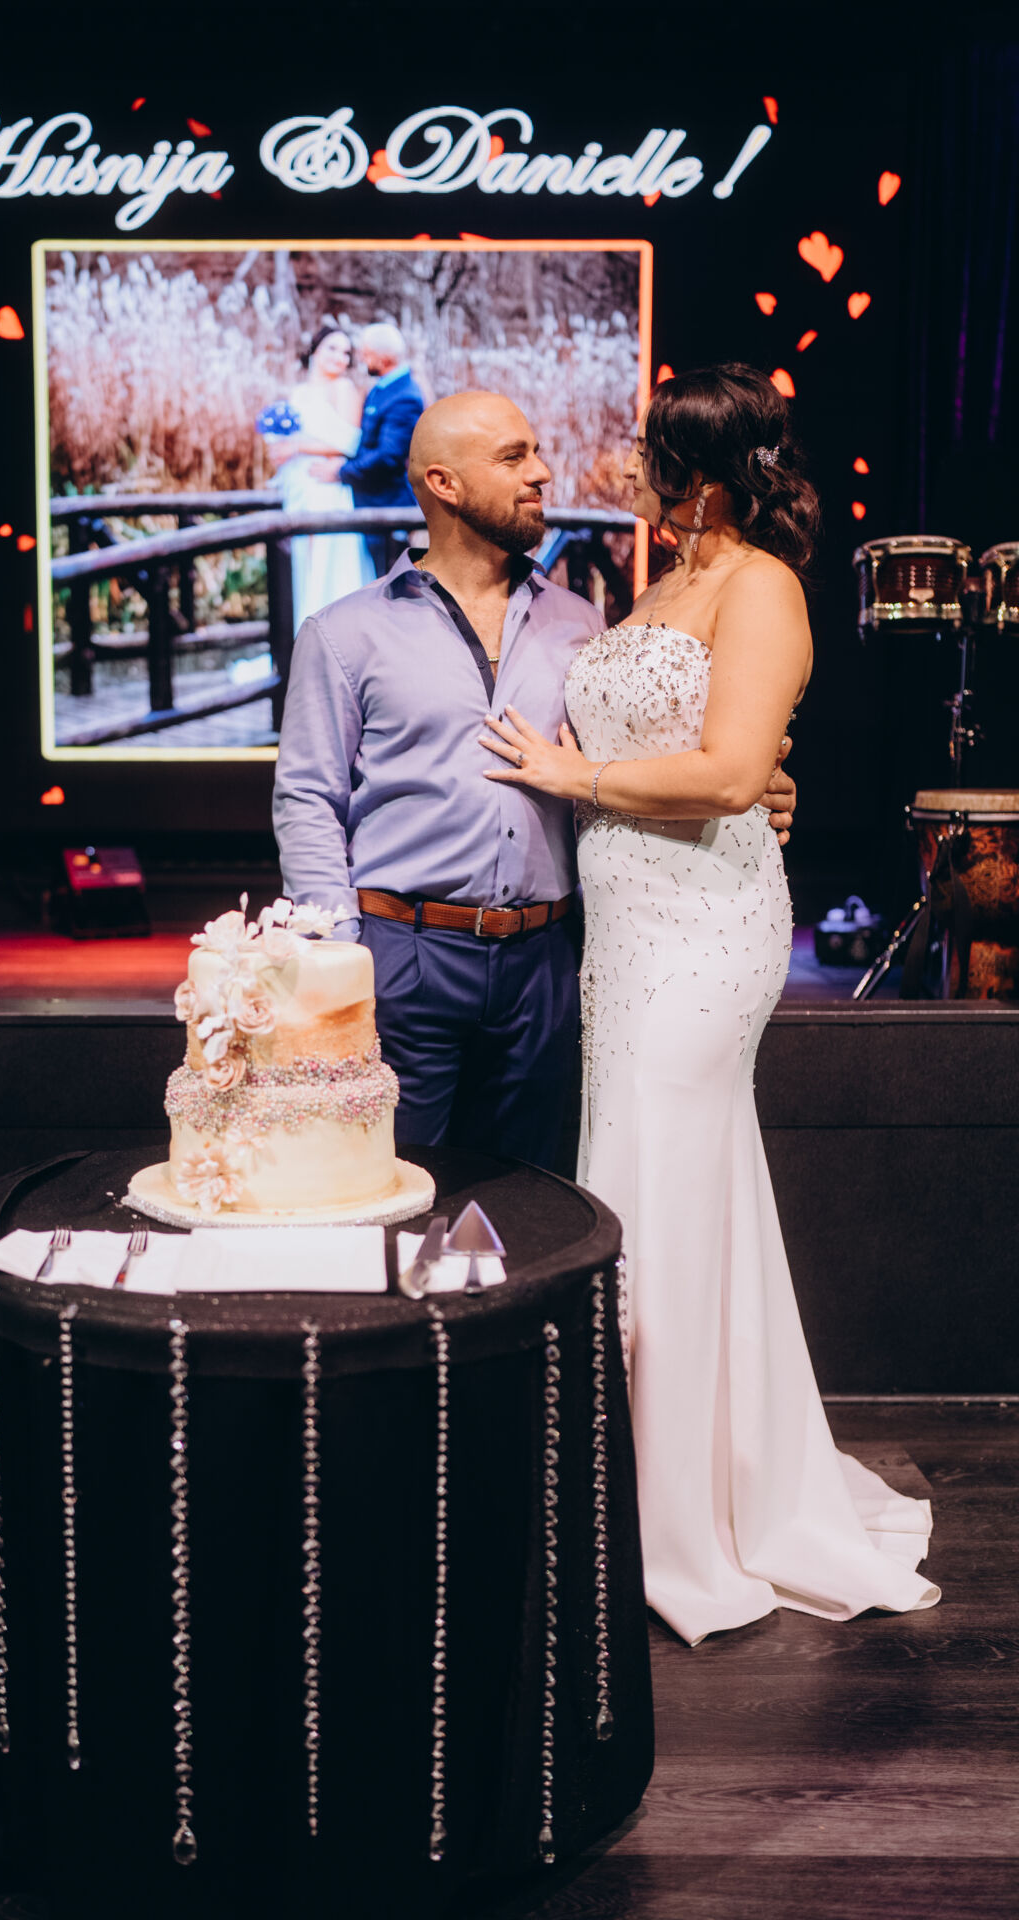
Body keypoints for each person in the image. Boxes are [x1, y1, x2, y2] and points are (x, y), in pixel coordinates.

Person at [479, 363, 940, 1644]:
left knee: (663, 1191)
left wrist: (574, 775)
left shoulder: (760, 584)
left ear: (701, 472)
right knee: (647, 1185)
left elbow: (734, 774)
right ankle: (662, 1480)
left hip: (704, 926)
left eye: (649, 453)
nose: (628, 468)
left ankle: (679, 1520)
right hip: (625, 930)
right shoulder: (661, 582)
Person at [272, 387, 797, 1173]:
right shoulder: (346, 633)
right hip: (405, 953)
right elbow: (307, 799)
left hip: (549, 963)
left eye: (537, 452)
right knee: (386, 1187)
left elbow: (650, 748)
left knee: (532, 1199)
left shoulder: (584, 624)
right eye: (514, 458)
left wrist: (760, 781)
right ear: (444, 484)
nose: (542, 473)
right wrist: (338, 955)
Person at [266, 324, 373, 626]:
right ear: (315, 350)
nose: (340, 358)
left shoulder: (344, 388)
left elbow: (349, 442)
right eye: (332, 348)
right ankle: (304, 627)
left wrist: (297, 448)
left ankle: (332, 630)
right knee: (304, 557)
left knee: (330, 557)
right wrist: (280, 448)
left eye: (346, 353)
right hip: (301, 485)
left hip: (328, 483)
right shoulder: (299, 393)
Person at [314, 323, 423, 577]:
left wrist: (341, 471)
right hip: (369, 505)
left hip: (387, 510)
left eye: (367, 354)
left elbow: (388, 457)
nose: (362, 359)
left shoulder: (405, 396)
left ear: (383, 358)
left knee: (390, 585)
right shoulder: (383, 388)